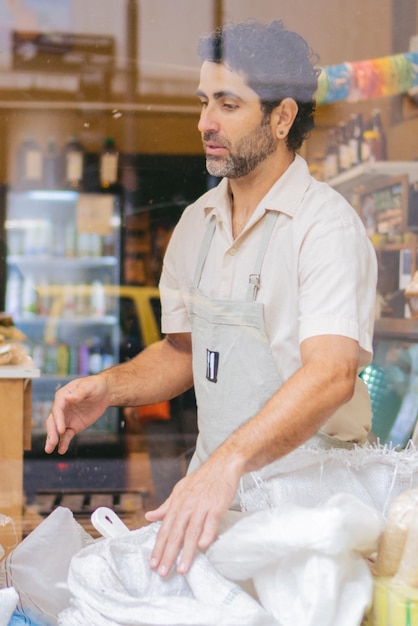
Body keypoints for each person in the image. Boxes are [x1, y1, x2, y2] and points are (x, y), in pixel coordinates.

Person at [45, 20, 377, 579]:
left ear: (281, 117)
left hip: (308, 513)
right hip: (212, 500)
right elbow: (183, 352)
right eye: (204, 102)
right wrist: (109, 387)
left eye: (227, 103)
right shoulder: (196, 224)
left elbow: (332, 374)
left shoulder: (325, 227)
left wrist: (226, 466)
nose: (205, 122)